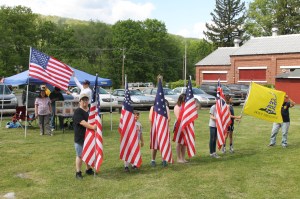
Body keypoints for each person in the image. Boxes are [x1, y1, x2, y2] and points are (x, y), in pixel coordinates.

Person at [73, 93, 97, 179]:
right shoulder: (78, 111)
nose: (85, 101)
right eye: (83, 100)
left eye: (86, 100)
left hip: (89, 137)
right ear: (80, 101)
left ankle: (88, 169)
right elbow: (82, 122)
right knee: (80, 155)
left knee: (88, 153)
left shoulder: (90, 111)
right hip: (80, 137)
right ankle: (78, 172)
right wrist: (92, 127)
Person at [149, 102, 171, 167]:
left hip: (164, 129)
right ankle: (153, 160)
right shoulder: (153, 108)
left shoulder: (166, 108)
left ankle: (164, 159)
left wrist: (162, 123)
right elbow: (150, 118)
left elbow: (169, 118)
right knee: (154, 145)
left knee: (163, 144)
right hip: (155, 129)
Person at [173, 93, 188, 163]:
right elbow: (178, 117)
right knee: (179, 142)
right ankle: (178, 158)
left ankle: (183, 158)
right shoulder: (177, 107)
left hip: (185, 125)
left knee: (184, 143)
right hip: (179, 126)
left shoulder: (185, 106)